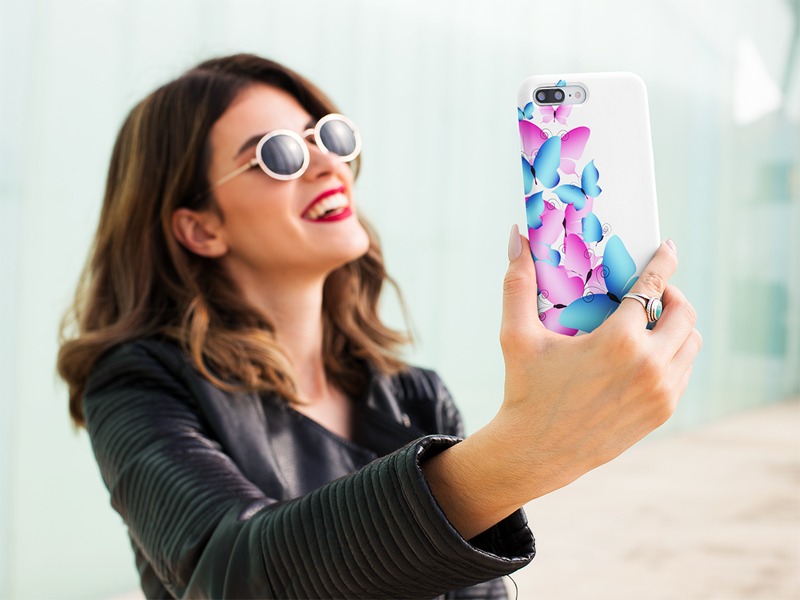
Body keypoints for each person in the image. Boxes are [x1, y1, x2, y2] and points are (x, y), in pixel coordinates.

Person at [57, 53, 701, 599]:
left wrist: (523, 452)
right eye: (278, 155)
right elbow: (232, 572)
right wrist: (521, 452)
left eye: (328, 137)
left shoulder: (414, 396)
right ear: (200, 228)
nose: (325, 165)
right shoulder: (137, 384)